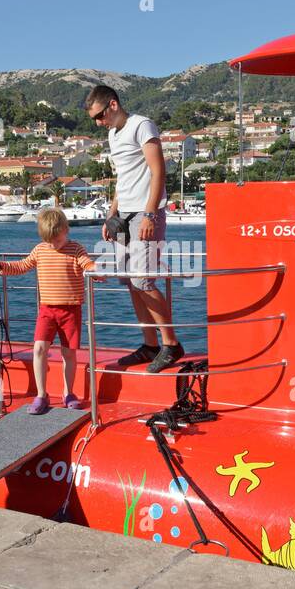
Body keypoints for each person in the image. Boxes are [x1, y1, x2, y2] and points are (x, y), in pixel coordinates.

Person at [86, 85, 183, 374]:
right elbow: (123, 178)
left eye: (100, 115)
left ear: (113, 105)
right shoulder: (113, 134)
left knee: (143, 280)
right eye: (94, 119)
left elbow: (158, 170)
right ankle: (150, 344)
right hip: (123, 215)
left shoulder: (142, 125)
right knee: (129, 281)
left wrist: (151, 214)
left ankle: (171, 344)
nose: (98, 122)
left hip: (145, 213)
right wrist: (111, 214)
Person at [0, 207, 98, 414]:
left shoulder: (76, 249)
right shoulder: (40, 249)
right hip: (47, 309)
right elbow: (21, 266)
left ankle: (68, 393)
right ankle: (41, 394)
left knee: (69, 353)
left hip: (71, 310)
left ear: (66, 229)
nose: (53, 244)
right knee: (38, 349)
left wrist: (96, 271)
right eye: (49, 240)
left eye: (56, 239)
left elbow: (87, 264)